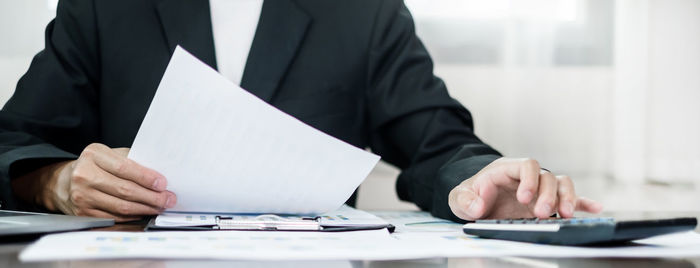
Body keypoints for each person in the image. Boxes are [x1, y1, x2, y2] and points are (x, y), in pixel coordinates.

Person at [1, 0, 601, 223]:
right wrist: (55, 182)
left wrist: (474, 183)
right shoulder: (104, 8)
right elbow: (12, 139)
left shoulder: (365, 14)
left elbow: (438, 146)